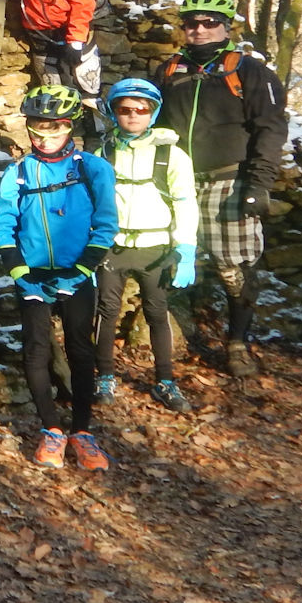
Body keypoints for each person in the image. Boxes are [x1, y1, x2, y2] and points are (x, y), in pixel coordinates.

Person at [150, 0, 288, 379]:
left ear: (226, 26)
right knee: (163, 256)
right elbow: (152, 123)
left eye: (209, 23)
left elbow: (271, 129)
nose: (199, 29)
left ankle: (237, 342)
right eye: (191, 23)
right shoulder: (169, 71)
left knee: (233, 267)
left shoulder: (249, 71)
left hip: (229, 180)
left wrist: (259, 184)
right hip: (175, 181)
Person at [0, 86, 118, 471]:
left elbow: (106, 223)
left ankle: (82, 430)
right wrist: (18, 271)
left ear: (70, 127)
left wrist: (83, 270)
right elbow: (3, 223)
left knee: (81, 349)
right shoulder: (18, 172)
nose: (45, 138)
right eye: (38, 130)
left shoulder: (93, 168)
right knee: (36, 349)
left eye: (55, 129)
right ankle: (51, 429)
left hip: (77, 272)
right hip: (33, 274)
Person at [94, 78, 199, 412]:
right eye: (125, 109)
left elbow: (185, 201)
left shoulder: (173, 155)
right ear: (113, 113)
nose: (133, 115)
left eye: (142, 109)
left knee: (156, 312)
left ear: (154, 113)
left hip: (156, 247)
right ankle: (105, 376)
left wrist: (186, 249)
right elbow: (92, 201)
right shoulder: (103, 152)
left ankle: (165, 380)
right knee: (107, 311)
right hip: (113, 246)